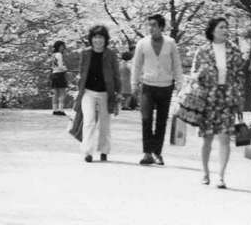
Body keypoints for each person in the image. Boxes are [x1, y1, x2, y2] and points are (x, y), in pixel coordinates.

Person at [190, 17, 245, 188]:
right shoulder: (202, 51)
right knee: (206, 137)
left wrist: (239, 99)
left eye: (226, 27)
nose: (225, 30)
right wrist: (200, 75)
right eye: (221, 27)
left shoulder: (234, 51)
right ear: (212, 30)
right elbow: (193, 75)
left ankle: (221, 176)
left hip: (227, 97)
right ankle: (205, 173)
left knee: (225, 137)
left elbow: (239, 77)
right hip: (207, 98)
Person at [132, 14, 183, 165]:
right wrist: (134, 84)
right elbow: (136, 65)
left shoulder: (171, 43)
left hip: (166, 86)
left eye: (154, 25)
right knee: (146, 119)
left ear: (161, 27)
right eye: (149, 25)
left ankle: (157, 153)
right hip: (147, 85)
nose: (151, 28)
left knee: (161, 121)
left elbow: (177, 65)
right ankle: (147, 152)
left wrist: (180, 84)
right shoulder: (142, 43)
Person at [74, 25, 121, 163]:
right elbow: (81, 73)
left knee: (105, 124)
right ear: (91, 39)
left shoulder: (111, 54)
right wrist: (79, 90)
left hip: (106, 92)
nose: (98, 40)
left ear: (105, 39)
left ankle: (104, 151)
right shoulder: (85, 53)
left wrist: (118, 92)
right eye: (95, 37)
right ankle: (87, 151)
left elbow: (116, 74)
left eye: (101, 37)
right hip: (88, 91)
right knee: (89, 120)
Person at [50, 40, 68, 116]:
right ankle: (61, 110)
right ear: (59, 47)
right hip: (60, 74)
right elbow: (60, 66)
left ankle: (54, 110)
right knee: (63, 93)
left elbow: (54, 65)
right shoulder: (59, 54)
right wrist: (65, 69)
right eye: (62, 46)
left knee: (55, 94)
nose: (63, 48)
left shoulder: (53, 54)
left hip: (54, 74)